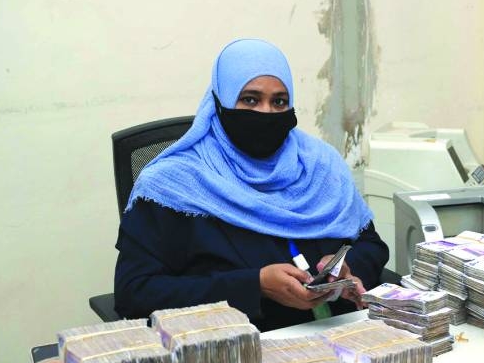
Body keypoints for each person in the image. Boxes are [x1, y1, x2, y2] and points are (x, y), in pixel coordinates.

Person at [114, 38, 388, 330]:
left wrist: (347, 268)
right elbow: (135, 293)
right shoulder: (173, 185)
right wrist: (253, 285)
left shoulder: (320, 165)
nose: (266, 114)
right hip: (232, 350)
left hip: (339, 337)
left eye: (279, 102)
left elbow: (370, 243)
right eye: (250, 100)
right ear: (220, 104)